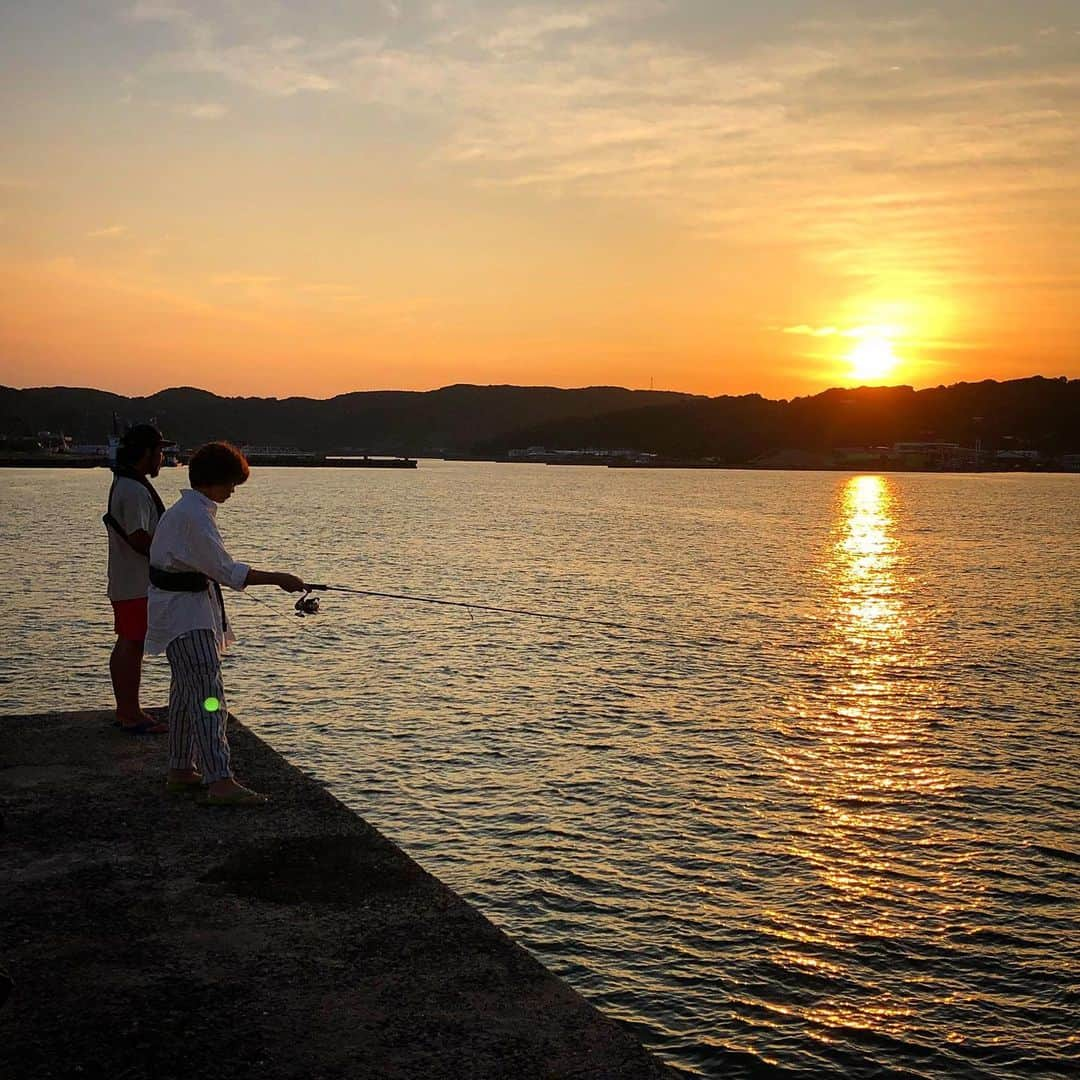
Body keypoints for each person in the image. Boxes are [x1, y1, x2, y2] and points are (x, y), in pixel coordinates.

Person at [145, 442, 305, 806]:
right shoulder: (195, 517)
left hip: (180, 614)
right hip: (187, 619)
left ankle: (181, 769)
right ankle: (219, 780)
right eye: (231, 483)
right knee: (209, 698)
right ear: (215, 480)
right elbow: (225, 571)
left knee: (186, 696)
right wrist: (279, 577)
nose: (233, 491)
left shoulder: (189, 511)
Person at [104, 423, 169, 734]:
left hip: (128, 581)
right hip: (135, 583)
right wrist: (174, 557)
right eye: (159, 451)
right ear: (146, 453)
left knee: (129, 643)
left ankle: (127, 710)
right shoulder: (132, 489)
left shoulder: (127, 484)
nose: (162, 458)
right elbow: (138, 537)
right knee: (132, 643)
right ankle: (129, 713)